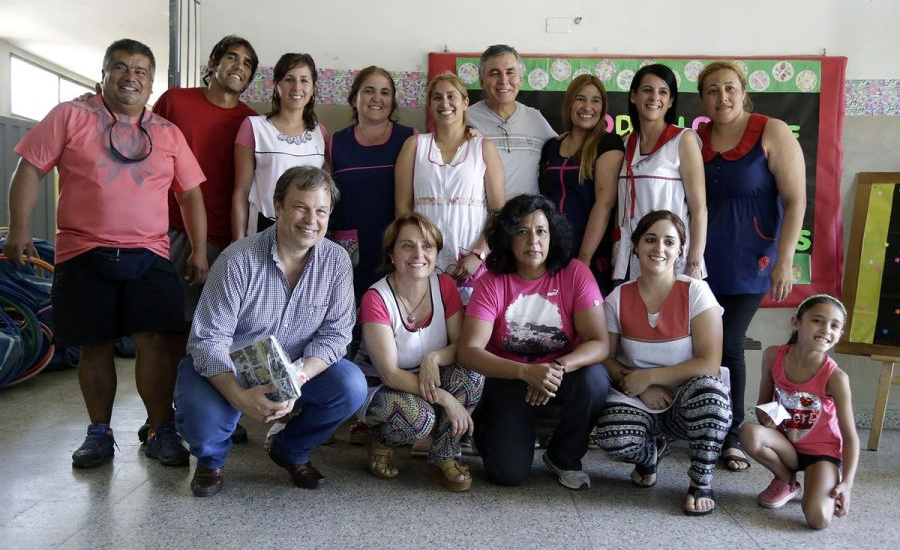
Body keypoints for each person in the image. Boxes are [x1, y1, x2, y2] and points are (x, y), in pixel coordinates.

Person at [4, 38, 207, 468]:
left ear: (151, 84)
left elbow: (190, 194)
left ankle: (159, 429)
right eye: (120, 67)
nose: (130, 76)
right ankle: (99, 432)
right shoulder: (70, 115)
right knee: (94, 346)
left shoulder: (168, 133)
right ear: (103, 74)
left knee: (158, 343)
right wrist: (19, 228)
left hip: (150, 254)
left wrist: (199, 251)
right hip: (82, 252)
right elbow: (30, 169)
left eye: (140, 71)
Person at [175, 166, 367, 497]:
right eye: (300, 207)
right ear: (277, 206)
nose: (311, 219)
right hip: (231, 368)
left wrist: (297, 379)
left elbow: (336, 336)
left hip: (295, 370)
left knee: (351, 384)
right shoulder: (237, 260)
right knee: (202, 417)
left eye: (320, 211)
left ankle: (290, 450)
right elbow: (208, 341)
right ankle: (211, 460)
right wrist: (238, 396)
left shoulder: (337, 262)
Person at [147, 35, 259, 446]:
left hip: (227, 239)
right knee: (170, 331)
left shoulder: (250, 121)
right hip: (171, 231)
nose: (239, 66)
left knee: (221, 333)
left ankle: (220, 410)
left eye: (247, 63)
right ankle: (163, 418)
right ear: (213, 62)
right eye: (232, 57)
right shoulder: (176, 101)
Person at [697, 61, 806, 472]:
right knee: (701, 344)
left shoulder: (771, 131)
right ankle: (701, 424)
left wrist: (785, 260)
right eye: (712, 90)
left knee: (729, 343)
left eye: (729, 88)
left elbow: (795, 200)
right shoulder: (698, 137)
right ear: (702, 98)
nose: (721, 97)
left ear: (743, 91)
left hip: (752, 259)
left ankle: (731, 435)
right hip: (704, 260)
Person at [458, 194, 611, 490]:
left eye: (541, 231)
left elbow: (599, 343)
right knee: (507, 474)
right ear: (508, 237)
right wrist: (525, 373)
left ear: (552, 234)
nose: (533, 241)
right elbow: (469, 351)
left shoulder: (575, 273)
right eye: (522, 232)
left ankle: (564, 456)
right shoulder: (492, 281)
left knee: (595, 379)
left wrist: (555, 368)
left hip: (559, 373)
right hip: (507, 376)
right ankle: (487, 430)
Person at [591, 210, 732, 516]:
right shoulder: (617, 297)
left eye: (669, 241)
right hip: (639, 397)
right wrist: (640, 387)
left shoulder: (696, 292)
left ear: (680, 250)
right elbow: (605, 357)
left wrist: (650, 377)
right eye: (651, 239)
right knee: (613, 438)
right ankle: (649, 456)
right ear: (637, 246)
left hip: (686, 399)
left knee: (713, 398)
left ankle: (700, 482)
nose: (659, 248)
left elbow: (709, 362)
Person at [354, 213, 483, 491]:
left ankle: (443, 457)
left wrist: (433, 358)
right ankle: (381, 440)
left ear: (436, 253)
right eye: (407, 246)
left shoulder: (445, 285)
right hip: (382, 386)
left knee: (472, 372)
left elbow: (460, 346)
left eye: (427, 246)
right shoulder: (375, 298)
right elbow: (389, 373)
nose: (418, 254)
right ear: (391, 253)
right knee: (419, 419)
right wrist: (446, 399)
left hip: (429, 377)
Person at [740, 295, 858, 529]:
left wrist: (847, 484)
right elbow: (762, 404)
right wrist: (766, 416)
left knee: (819, 519)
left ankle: (819, 483)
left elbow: (851, 436)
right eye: (817, 320)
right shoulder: (774, 355)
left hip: (822, 454)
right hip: (787, 446)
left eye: (835, 326)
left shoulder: (836, 378)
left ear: (840, 333)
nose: (826, 329)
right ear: (796, 322)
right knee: (749, 433)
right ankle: (786, 480)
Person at [395, 72, 504, 303]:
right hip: (423, 261)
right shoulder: (414, 146)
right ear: (430, 105)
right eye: (437, 98)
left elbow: (497, 211)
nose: (445, 103)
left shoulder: (483, 147)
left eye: (451, 96)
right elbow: (403, 210)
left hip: (471, 263)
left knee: (469, 331)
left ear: (465, 103)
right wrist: (417, 253)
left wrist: (479, 254)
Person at [613, 64, 706, 283]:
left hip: (670, 261)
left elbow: (699, 208)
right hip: (628, 260)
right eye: (647, 90)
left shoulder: (683, 140)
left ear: (671, 101)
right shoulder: (625, 143)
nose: (655, 97)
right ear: (634, 96)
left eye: (663, 92)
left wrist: (694, 264)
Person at [328, 66, 416, 300]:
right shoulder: (335, 142)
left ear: (393, 101)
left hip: (394, 245)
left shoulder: (411, 139)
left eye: (385, 92)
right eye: (369, 90)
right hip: (348, 250)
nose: (377, 98)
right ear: (354, 98)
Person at [540, 74, 624, 294]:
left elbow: (604, 204)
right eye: (581, 98)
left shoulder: (608, 143)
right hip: (549, 251)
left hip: (591, 252)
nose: (588, 106)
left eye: (595, 100)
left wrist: (583, 259)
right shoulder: (551, 147)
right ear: (569, 103)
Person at [233, 53, 327, 239]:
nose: (297, 87)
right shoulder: (254, 127)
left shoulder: (321, 133)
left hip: (307, 232)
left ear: (313, 88)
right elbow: (241, 193)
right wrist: (237, 243)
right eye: (289, 79)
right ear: (276, 85)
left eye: (304, 80)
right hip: (263, 228)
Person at [466, 45, 557, 200]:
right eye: (494, 73)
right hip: (480, 219)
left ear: (520, 80)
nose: (503, 80)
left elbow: (562, 150)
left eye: (510, 72)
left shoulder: (536, 120)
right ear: (482, 81)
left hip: (527, 219)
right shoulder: (465, 118)